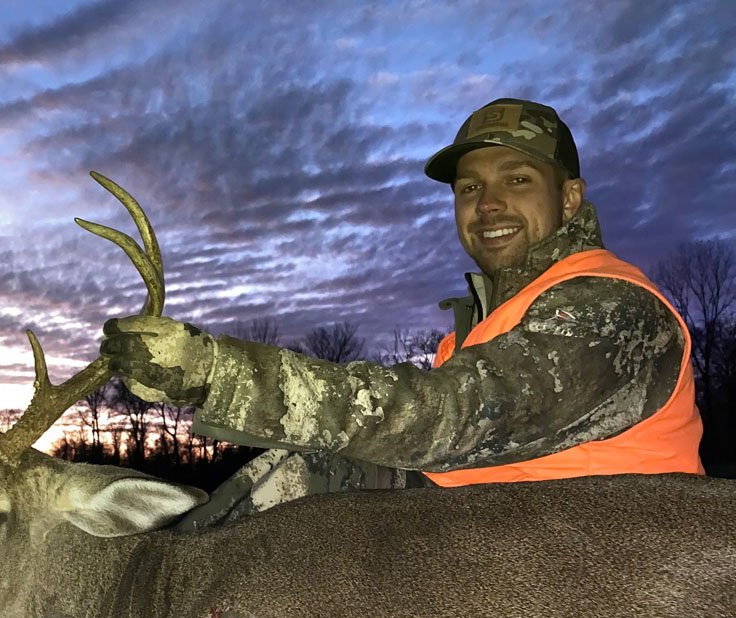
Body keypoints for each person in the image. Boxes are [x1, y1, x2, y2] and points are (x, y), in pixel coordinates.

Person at [101, 98, 705, 529]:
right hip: (506, 538)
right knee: (310, 475)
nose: (489, 204)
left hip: (615, 564)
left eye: (518, 180)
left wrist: (218, 372)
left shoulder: (613, 308)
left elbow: (451, 415)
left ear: (569, 199)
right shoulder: (494, 320)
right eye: (469, 189)